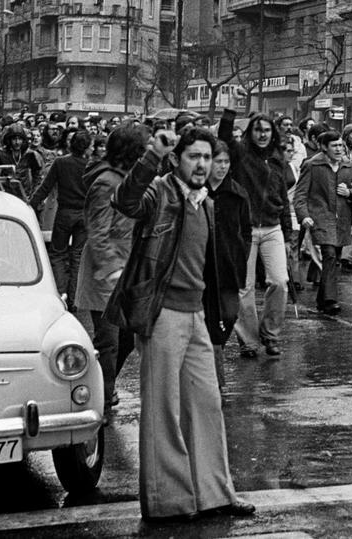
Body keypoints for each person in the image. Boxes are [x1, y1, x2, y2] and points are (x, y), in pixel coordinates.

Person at [104, 125, 254, 522]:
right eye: (194, 157)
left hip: (196, 315)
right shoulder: (160, 190)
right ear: (177, 159)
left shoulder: (205, 201)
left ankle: (214, 494)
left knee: (207, 404)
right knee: (163, 410)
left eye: (207, 157)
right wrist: (151, 154)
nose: (203, 164)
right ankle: (168, 501)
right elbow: (125, 200)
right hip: (163, 312)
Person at [76, 123, 147, 421]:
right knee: (109, 341)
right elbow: (97, 231)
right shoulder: (106, 183)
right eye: (141, 149)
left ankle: (101, 385)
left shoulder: (126, 178)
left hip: (126, 267)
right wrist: (110, 270)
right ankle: (100, 399)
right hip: (106, 272)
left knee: (127, 338)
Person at [219, 109, 293, 358]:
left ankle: (270, 335)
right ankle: (248, 341)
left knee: (279, 281)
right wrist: (230, 111)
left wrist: (288, 235)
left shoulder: (277, 158)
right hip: (245, 230)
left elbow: (283, 197)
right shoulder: (240, 154)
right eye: (258, 130)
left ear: (273, 133)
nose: (262, 134)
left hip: (272, 228)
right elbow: (225, 137)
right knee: (244, 288)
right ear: (250, 132)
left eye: (267, 130)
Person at [294, 130, 352, 316]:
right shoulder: (312, 165)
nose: (339, 149)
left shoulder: (349, 166)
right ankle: (331, 300)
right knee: (329, 254)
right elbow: (300, 194)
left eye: (341, 145)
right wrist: (304, 215)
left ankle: (322, 300)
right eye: (334, 146)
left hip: (342, 219)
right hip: (320, 217)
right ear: (324, 147)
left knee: (335, 258)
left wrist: (350, 194)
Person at [205, 142, 252, 386]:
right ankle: (212, 376)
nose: (222, 167)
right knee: (208, 322)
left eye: (226, 162)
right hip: (201, 267)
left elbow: (246, 231)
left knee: (230, 314)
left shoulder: (237, 193)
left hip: (229, 267)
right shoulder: (198, 191)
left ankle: (213, 353)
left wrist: (240, 255)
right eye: (218, 161)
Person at [29, 129, 92, 307]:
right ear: (87, 147)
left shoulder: (60, 163)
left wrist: (30, 204)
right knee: (77, 256)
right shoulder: (91, 166)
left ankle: (60, 293)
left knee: (57, 253)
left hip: (65, 212)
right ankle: (74, 299)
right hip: (84, 215)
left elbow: (45, 187)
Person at [0, 123, 43, 199]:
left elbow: (38, 176)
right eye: (14, 139)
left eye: (20, 139)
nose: (17, 142)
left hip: (24, 194)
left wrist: (33, 194)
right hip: (5, 195)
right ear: (9, 140)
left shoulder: (30, 154)